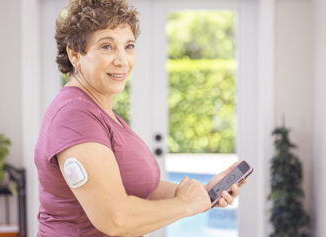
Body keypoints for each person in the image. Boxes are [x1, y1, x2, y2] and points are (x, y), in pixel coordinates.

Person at [34, 0, 248, 236]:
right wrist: (184, 205)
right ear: (74, 54)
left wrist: (204, 194)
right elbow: (116, 219)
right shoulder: (75, 116)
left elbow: (141, 186)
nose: (122, 60)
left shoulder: (101, 112)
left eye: (129, 46)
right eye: (106, 46)